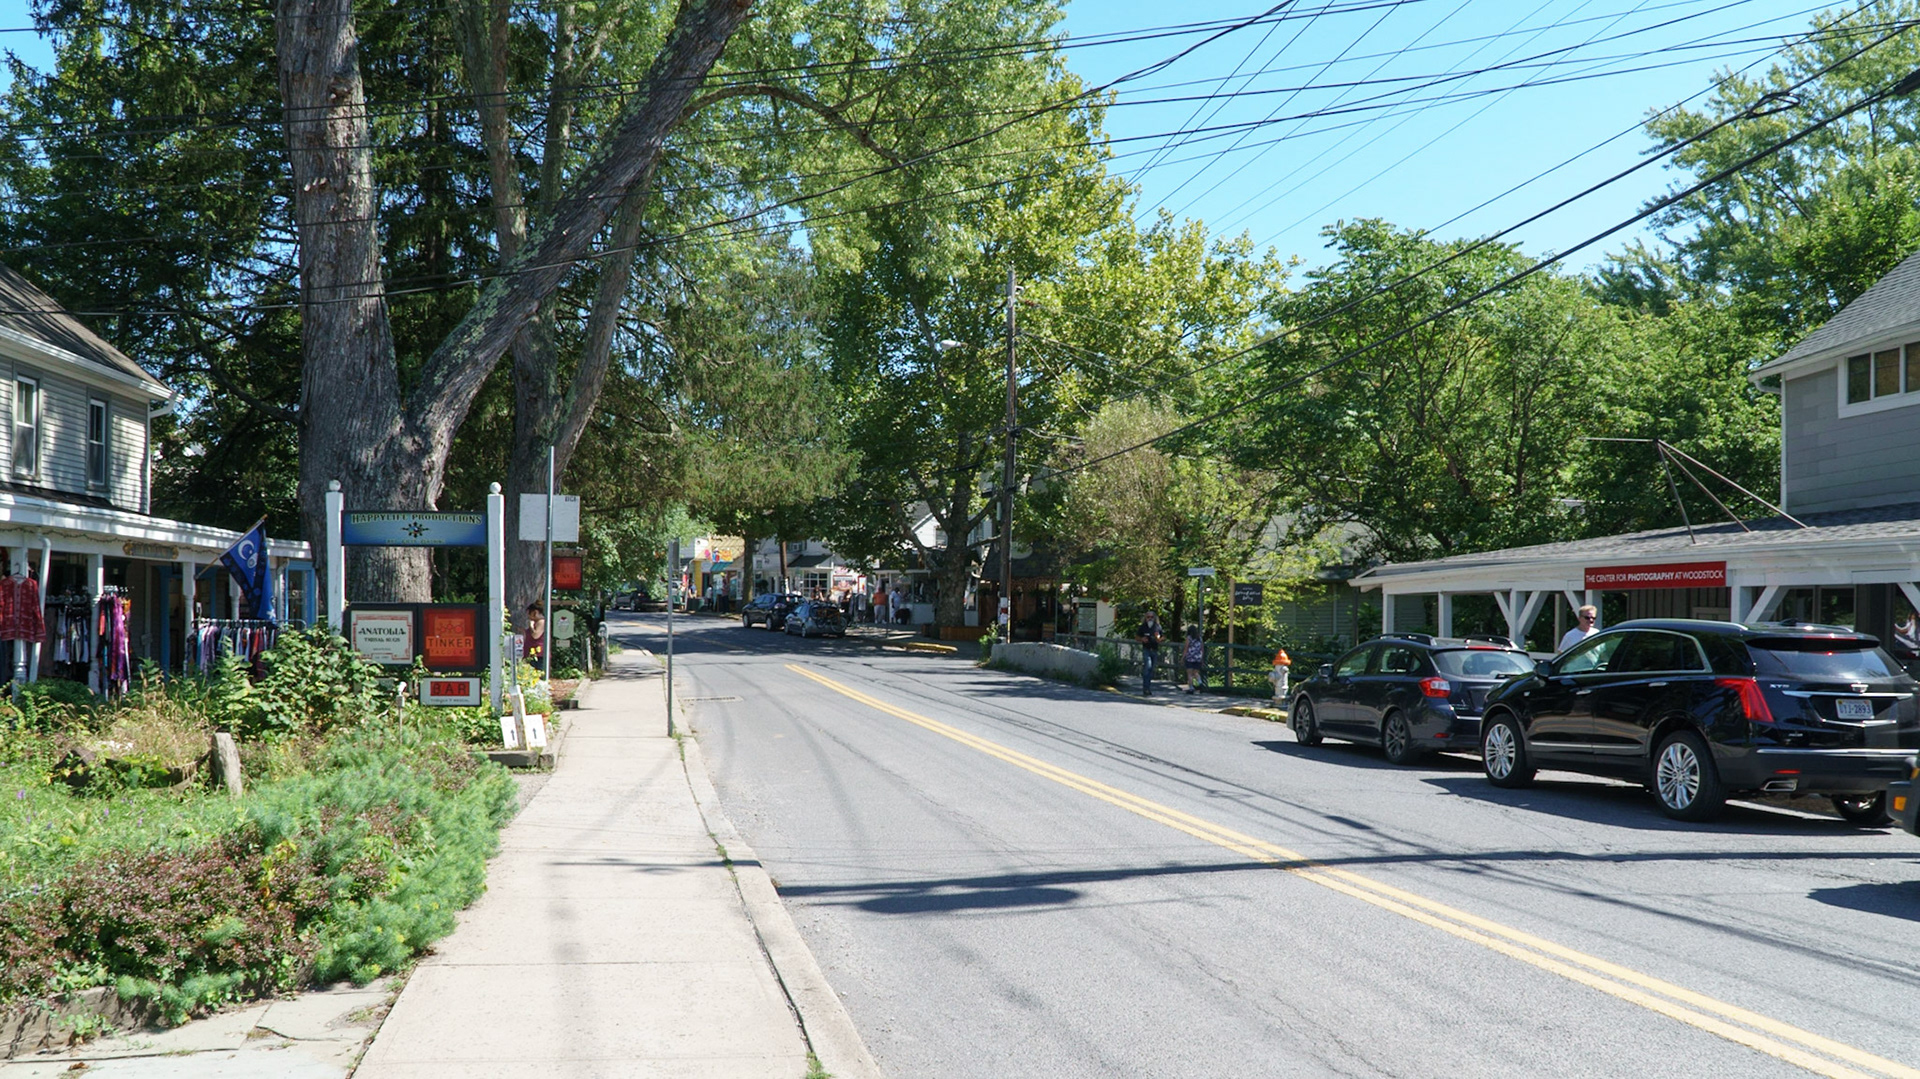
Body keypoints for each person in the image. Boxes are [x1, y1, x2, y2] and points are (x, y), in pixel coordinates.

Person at [1137, 611, 1164, 696]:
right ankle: (1146, 688)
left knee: (1151, 669)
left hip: (1154, 650)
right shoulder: (1142, 627)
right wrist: (1142, 639)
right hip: (1146, 649)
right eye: (1148, 617)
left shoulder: (1158, 627)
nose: (1150, 619)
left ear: (1154, 618)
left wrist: (1158, 638)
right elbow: (1137, 637)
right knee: (1147, 667)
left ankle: (1148, 687)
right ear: (1145, 618)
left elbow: (1162, 637)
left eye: (1152, 617)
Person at [1181, 624, 1205, 693]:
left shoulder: (1189, 638)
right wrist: (1202, 658)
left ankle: (1191, 688)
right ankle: (1200, 683)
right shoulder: (1199, 638)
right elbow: (1202, 649)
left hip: (1190, 658)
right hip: (1198, 657)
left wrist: (1182, 658)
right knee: (1196, 672)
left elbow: (1186, 648)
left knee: (1189, 674)